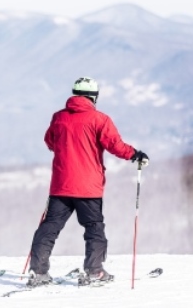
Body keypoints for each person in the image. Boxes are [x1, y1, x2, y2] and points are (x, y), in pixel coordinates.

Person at [27, 77, 149, 287]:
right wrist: (135, 155)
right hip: (88, 188)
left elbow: (50, 141)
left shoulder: (59, 117)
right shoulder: (99, 119)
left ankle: (38, 273)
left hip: (61, 185)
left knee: (50, 227)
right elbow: (115, 145)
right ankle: (94, 272)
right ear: (94, 97)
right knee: (93, 228)